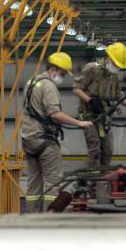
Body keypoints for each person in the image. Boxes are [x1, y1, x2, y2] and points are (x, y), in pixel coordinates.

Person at [21, 52, 92, 212]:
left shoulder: (32, 82)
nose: (64, 76)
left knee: (33, 185)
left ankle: (32, 220)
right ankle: (48, 220)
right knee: (53, 183)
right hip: (45, 142)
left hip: (28, 140)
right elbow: (55, 114)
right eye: (62, 73)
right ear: (53, 69)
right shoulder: (49, 86)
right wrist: (79, 122)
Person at [72, 41, 126, 168]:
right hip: (89, 116)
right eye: (115, 64)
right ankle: (94, 179)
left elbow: (119, 96)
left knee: (108, 151)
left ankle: (104, 177)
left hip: (105, 117)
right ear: (108, 58)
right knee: (95, 150)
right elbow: (76, 89)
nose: (116, 67)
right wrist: (90, 100)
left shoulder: (113, 76)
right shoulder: (91, 68)